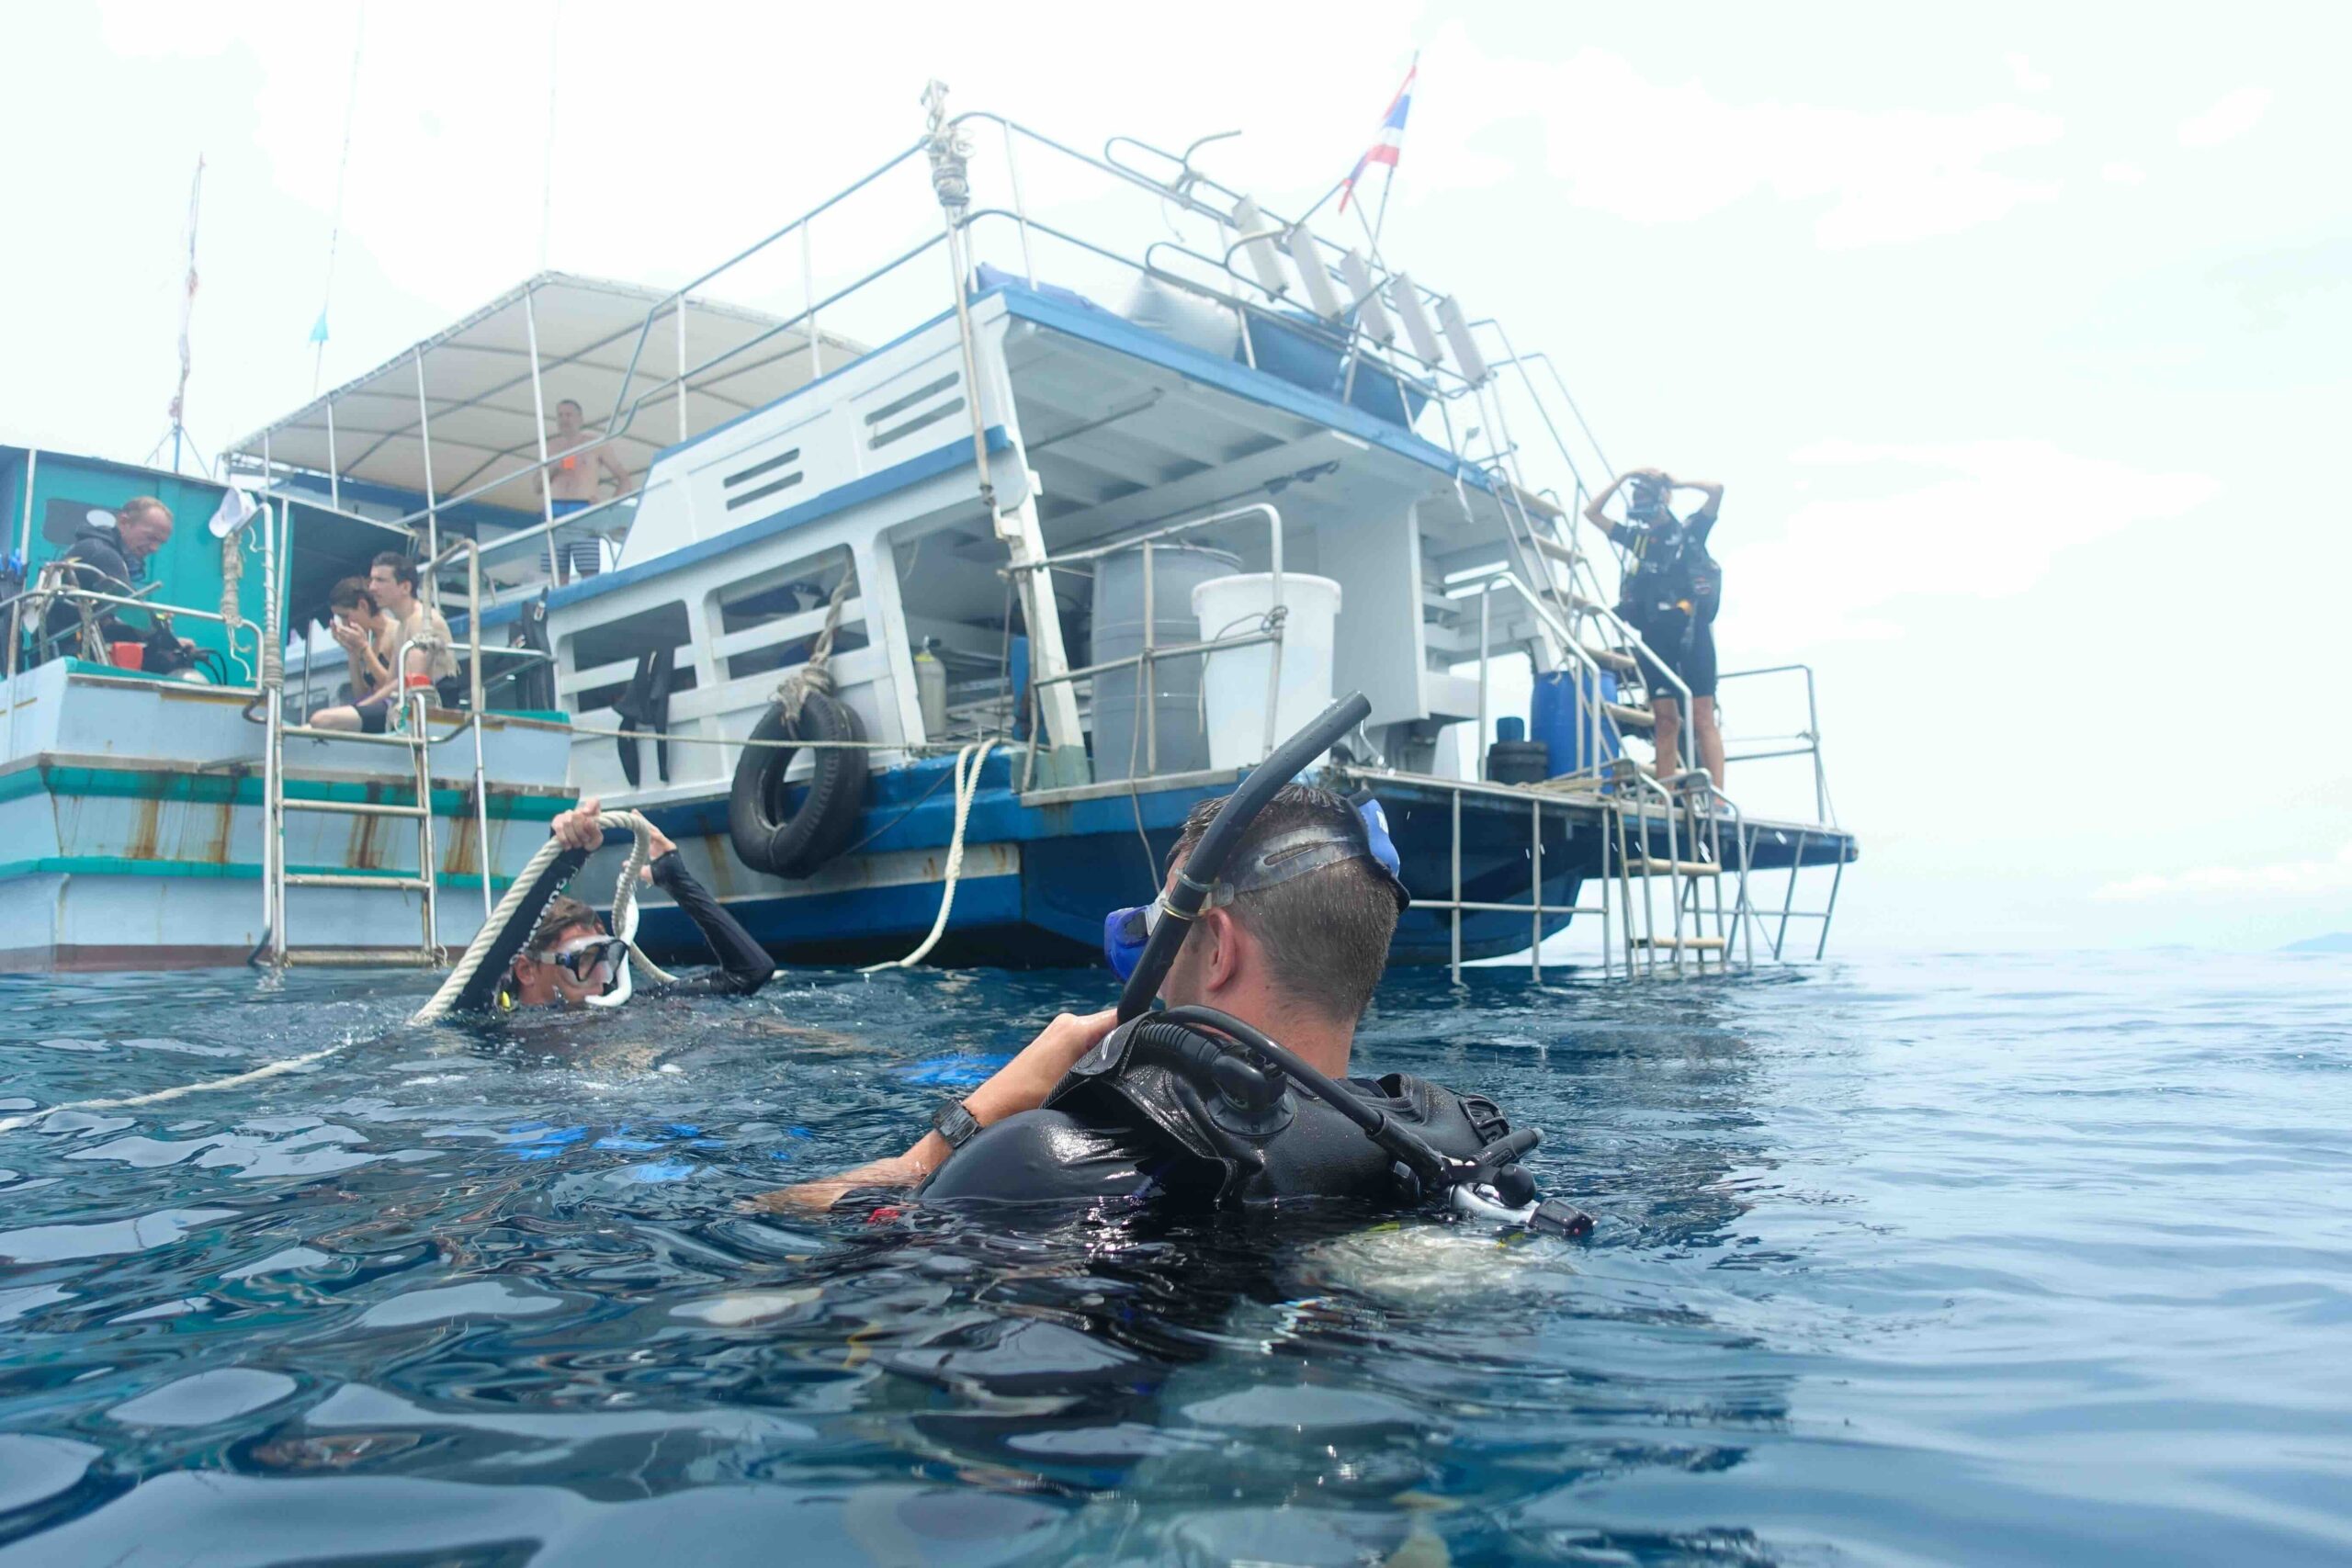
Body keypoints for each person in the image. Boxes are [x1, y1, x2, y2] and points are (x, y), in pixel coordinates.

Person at [755, 783, 1521, 1217]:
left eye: (1163, 926)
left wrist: (970, 1122)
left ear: (1217, 948)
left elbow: (792, 1237)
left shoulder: (1050, 1162)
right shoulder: (1456, 1147)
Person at [448, 795, 775, 1011]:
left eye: (609, 955)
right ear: (526, 970)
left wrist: (679, 881)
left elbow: (749, 974)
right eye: (586, 958)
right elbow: (478, 975)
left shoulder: (627, 1005)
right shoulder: (497, 1028)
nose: (602, 976)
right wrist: (563, 862)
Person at [1582, 466, 1727, 794]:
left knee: (1702, 714)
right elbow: (1592, 513)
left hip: (1692, 634)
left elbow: (1717, 488)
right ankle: (1666, 794)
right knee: (1664, 720)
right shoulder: (1640, 541)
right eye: (1635, 497)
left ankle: (1717, 795)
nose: (1639, 503)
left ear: (1662, 499)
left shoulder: (1691, 530)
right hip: (1656, 639)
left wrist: (1678, 481)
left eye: (1644, 495)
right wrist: (1623, 477)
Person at [310, 554, 461, 734]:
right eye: (372, 580)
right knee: (311, 726)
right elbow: (390, 683)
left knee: (321, 720)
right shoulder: (403, 624)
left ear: (405, 587)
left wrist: (362, 706)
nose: (372, 588)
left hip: (421, 709)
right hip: (402, 704)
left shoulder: (423, 621)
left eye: (380, 580)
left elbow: (411, 681)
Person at [40, 496, 188, 664]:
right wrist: (173, 646)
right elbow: (136, 614)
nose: (155, 548)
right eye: (151, 537)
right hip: (65, 653)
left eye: (160, 542)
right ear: (124, 522)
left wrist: (165, 641)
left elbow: (115, 622)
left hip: (60, 649)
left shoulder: (93, 547)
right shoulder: (102, 554)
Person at [537, 398, 630, 585]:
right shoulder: (550, 448)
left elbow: (625, 479)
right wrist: (554, 467)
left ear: (580, 418)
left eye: (569, 414)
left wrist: (607, 508)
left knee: (588, 572)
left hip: (583, 509)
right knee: (557, 575)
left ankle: (591, 607)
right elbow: (537, 487)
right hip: (554, 511)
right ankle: (559, 609)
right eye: (560, 415)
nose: (565, 419)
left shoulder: (596, 445)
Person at [323, 576, 395, 710]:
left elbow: (394, 686)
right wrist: (352, 652)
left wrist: (364, 649)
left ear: (363, 605)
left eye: (345, 616)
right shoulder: (373, 641)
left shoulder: (396, 632)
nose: (344, 624)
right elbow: (361, 694)